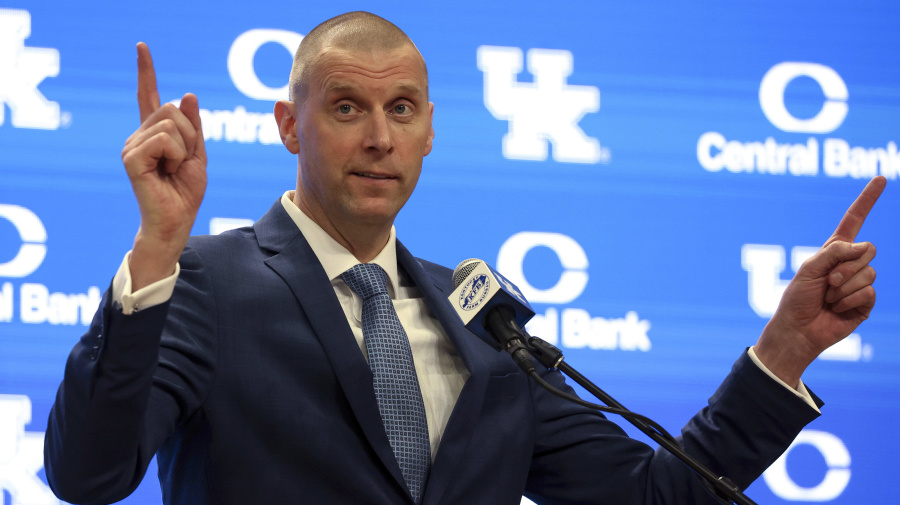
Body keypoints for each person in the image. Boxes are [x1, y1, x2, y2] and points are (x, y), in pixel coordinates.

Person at [44, 11, 885, 505]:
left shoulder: (484, 315)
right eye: (346, 107)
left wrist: (787, 349)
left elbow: (653, 496)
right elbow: (88, 472)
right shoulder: (204, 282)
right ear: (289, 125)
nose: (379, 136)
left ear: (431, 131)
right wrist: (157, 245)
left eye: (401, 108)